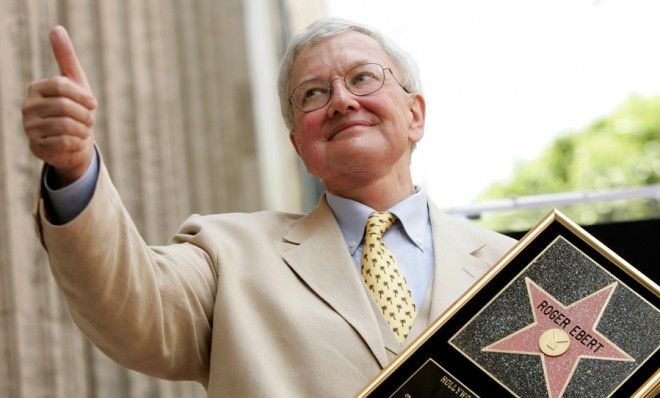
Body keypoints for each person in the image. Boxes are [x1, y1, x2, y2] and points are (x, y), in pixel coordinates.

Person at [22, 18, 515, 397]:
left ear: (415, 114)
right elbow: (131, 307)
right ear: (299, 146)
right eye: (314, 94)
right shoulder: (226, 255)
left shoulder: (516, 269)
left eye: (363, 78)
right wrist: (75, 169)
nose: (342, 101)